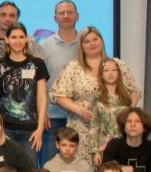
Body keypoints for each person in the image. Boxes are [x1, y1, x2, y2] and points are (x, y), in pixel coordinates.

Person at [51, 27, 141, 163]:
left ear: (102, 41)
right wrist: (78, 110)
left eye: (95, 39)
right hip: (81, 128)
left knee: (112, 169)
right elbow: (58, 95)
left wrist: (128, 113)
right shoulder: (73, 67)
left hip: (113, 130)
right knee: (83, 169)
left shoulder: (117, 64)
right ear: (81, 46)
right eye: (87, 41)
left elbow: (134, 92)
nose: (92, 43)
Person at [0, 23, 49, 160]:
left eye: (21, 37)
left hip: (31, 130)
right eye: (13, 37)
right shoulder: (0, 65)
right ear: (7, 39)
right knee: (6, 170)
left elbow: (42, 98)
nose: (18, 41)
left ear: (26, 39)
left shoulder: (37, 64)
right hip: (6, 130)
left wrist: (40, 129)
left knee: (30, 170)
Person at [37, 0, 82, 163]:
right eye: (61, 13)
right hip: (52, 116)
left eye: (70, 12)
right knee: (50, 164)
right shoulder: (44, 45)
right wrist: (42, 113)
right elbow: (39, 82)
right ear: (55, 18)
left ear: (77, 16)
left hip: (81, 115)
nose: (66, 16)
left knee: (80, 165)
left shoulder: (87, 43)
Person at [89, 59, 133, 166]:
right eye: (106, 70)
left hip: (125, 145)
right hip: (105, 147)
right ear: (101, 74)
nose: (110, 73)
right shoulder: (96, 96)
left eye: (114, 70)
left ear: (119, 73)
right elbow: (94, 125)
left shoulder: (126, 96)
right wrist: (95, 152)